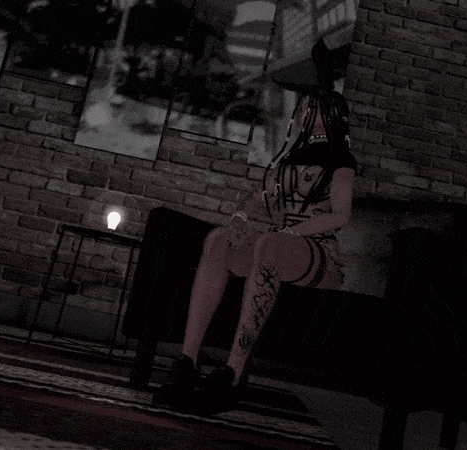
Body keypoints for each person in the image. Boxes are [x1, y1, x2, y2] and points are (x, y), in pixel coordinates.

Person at [152, 38, 356, 414]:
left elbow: (340, 217)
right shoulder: (287, 163)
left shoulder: (341, 164)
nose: (305, 115)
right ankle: (187, 362)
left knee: (269, 245)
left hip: (319, 256)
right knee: (218, 240)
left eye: (313, 110)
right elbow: (257, 197)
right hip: (282, 246)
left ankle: (232, 374)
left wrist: (291, 232)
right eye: (304, 109)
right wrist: (240, 219)